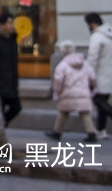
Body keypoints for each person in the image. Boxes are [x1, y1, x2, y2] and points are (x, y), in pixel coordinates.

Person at [44, 40, 97, 142]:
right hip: (83, 93)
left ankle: (57, 132)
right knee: (85, 114)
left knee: (63, 113)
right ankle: (91, 133)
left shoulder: (62, 65)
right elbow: (92, 77)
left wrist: (57, 92)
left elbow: (58, 80)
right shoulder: (84, 63)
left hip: (68, 93)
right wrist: (93, 87)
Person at [0, 10, 21, 126]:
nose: (12, 26)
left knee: (16, 107)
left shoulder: (12, 40)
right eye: (10, 23)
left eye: (12, 23)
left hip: (10, 84)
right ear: (2, 25)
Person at [85, 12, 112, 140]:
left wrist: (89, 76)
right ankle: (101, 130)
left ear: (93, 24)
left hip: (101, 75)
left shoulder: (97, 37)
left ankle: (100, 130)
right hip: (109, 75)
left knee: (98, 101)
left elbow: (92, 58)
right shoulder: (109, 34)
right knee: (102, 102)